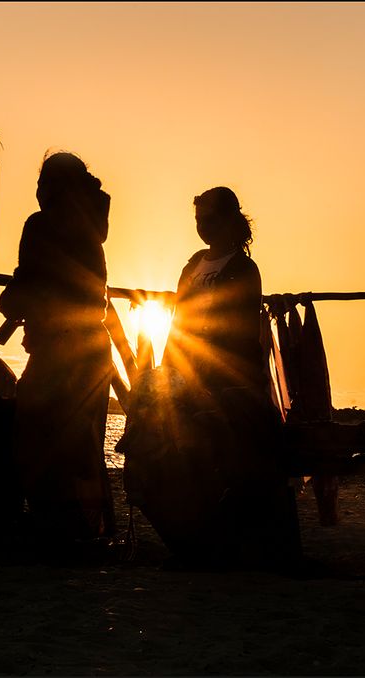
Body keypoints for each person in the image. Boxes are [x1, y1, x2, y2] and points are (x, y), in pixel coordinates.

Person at [120, 186, 302, 571]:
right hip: (185, 367)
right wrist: (169, 366)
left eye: (209, 219)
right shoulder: (194, 263)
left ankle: (219, 537)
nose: (202, 227)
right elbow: (181, 321)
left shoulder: (243, 268)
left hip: (226, 376)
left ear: (228, 219)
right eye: (198, 220)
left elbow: (236, 328)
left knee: (215, 453)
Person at [0, 151, 115, 548]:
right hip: (93, 347)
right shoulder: (91, 225)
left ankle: (56, 527)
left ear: (49, 185)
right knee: (83, 444)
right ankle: (90, 529)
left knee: (35, 437)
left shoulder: (42, 224)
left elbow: (29, 278)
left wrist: (11, 302)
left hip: (57, 348)